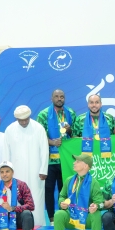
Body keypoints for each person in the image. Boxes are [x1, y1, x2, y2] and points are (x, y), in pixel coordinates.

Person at [53, 154, 105, 230]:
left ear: (85, 166)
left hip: (86, 219)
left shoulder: (93, 183)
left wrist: (95, 206)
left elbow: (100, 203)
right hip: (71, 217)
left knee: (96, 214)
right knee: (58, 214)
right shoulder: (69, 180)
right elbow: (62, 196)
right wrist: (62, 202)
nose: (74, 163)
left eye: (77, 161)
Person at [6, 105, 49, 227]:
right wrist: (6, 172)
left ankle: (38, 223)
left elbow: (44, 150)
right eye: (21, 120)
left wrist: (43, 170)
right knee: (16, 196)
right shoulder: (10, 129)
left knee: (36, 197)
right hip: (16, 171)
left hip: (36, 171)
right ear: (17, 119)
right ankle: (18, 224)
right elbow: (6, 152)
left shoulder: (38, 128)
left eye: (26, 119)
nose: (24, 122)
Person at [37, 89, 76, 221]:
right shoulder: (43, 115)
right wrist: (53, 142)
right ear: (51, 98)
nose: (59, 99)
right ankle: (52, 218)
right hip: (49, 161)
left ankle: (63, 216)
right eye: (56, 96)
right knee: (49, 189)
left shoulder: (71, 113)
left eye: (62, 96)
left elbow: (76, 136)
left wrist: (69, 131)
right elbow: (39, 137)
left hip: (66, 160)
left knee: (64, 189)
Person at [73, 94, 115, 159]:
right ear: (88, 104)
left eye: (97, 102)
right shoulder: (80, 119)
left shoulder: (109, 118)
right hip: (87, 158)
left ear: (101, 104)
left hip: (106, 156)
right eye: (91, 102)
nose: (94, 105)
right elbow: (74, 138)